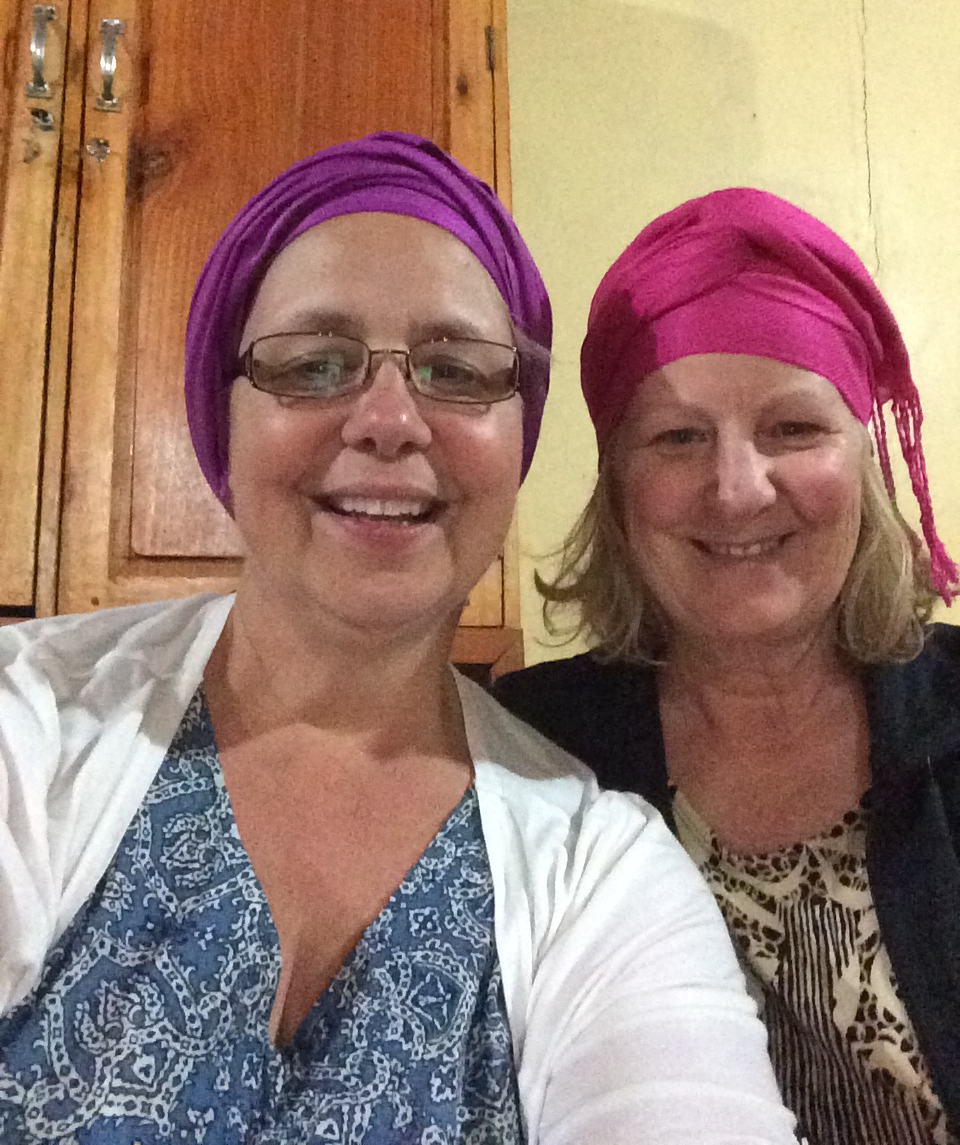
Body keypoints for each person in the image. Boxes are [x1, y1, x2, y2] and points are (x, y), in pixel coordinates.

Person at [0, 137, 795, 1144]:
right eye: (313, 364)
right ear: (220, 414)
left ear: (518, 436)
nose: (388, 419)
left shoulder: (600, 870)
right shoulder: (32, 724)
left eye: (455, 370)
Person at [493, 186, 960, 1145]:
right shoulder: (528, 755)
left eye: (794, 429)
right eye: (679, 437)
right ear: (618, 486)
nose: (739, 490)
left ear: (863, 464)